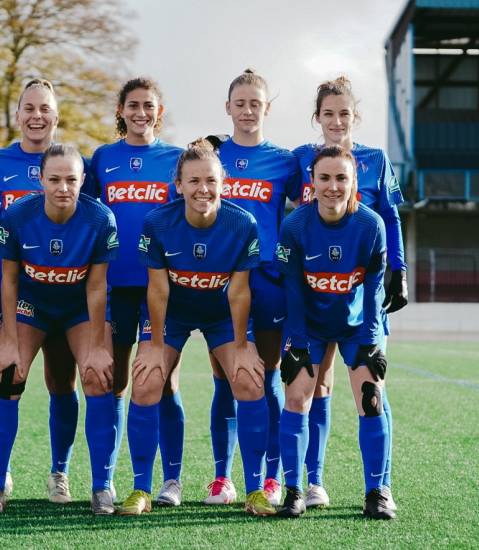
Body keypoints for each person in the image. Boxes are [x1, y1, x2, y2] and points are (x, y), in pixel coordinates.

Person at [119, 139, 273, 516]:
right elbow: (157, 290)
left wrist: (241, 344)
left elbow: (238, 292)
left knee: (249, 379)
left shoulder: (242, 223)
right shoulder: (158, 222)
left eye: (210, 180)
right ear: (179, 184)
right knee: (146, 379)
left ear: (224, 182)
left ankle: (254, 490)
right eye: (193, 181)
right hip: (173, 313)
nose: (202, 189)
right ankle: (143, 487)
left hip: (222, 313)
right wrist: (155, 344)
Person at [0, 144, 119, 515]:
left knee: (98, 375)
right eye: (54, 179)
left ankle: (98, 485)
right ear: (40, 179)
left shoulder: (100, 219)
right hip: (32, 304)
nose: (62, 187)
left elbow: (97, 286)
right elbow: (8, 281)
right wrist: (6, 341)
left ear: (83, 181)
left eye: (71, 179)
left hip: (76, 307)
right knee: (7, 375)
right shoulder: (18, 216)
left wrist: (101, 344)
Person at [292, 76, 405, 510]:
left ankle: (381, 487)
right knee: (314, 387)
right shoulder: (302, 159)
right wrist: (216, 148)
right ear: (316, 118)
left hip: (363, 294)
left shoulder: (376, 159)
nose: (337, 120)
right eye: (328, 113)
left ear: (355, 116)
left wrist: (400, 269)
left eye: (344, 113)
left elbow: (390, 218)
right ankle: (314, 482)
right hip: (315, 293)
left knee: (371, 388)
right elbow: (256, 187)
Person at [0, 79, 86, 502]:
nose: (37, 116)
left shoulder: (77, 163)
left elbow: (88, 220)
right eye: (29, 108)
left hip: (64, 288)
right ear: (18, 114)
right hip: (10, 288)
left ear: (56, 117)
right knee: (6, 377)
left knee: (62, 381)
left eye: (45, 109)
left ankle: (60, 472)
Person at [275, 145, 393, 520]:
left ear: (354, 181)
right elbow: (292, 288)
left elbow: (374, 287)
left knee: (371, 399)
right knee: (296, 399)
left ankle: (377, 491)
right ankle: (293, 490)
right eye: (324, 178)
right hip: (309, 325)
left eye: (341, 178)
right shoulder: (295, 225)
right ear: (312, 181)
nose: (332, 186)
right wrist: (294, 342)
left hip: (356, 325)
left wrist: (373, 340)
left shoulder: (371, 225)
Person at [204, 69, 302, 507]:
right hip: (219, 280)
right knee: (225, 379)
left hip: (266, 281)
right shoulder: (211, 155)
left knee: (266, 377)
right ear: (227, 108)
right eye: (239, 103)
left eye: (255, 104)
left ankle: (270, 478)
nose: (247, 111)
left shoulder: (284, 161)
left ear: (267, 109)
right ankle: (222, 478)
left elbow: (307, 211)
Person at [86, 77, 184, 506]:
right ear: (121, 111)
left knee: (164, 383)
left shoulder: (176, 158)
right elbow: (87, 217)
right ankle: (105, 483)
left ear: (159, 112)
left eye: (149, 105)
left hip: (161, 288)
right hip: (114, 287)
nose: (141, 112)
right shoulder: (103, 158)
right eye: (133, 105)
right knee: (115, 381)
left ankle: (171, 481)